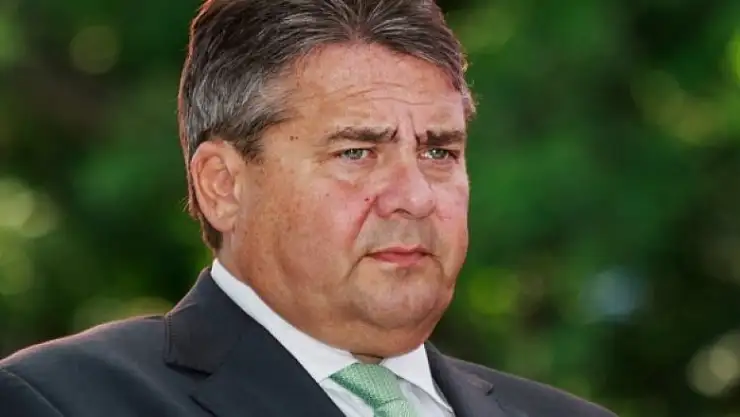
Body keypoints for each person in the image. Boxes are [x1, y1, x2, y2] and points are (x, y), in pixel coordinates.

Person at [0, 1, 617, 416]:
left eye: (438, 152)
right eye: (356, 152)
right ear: (222, 185)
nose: (415, 196)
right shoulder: (62, 401)